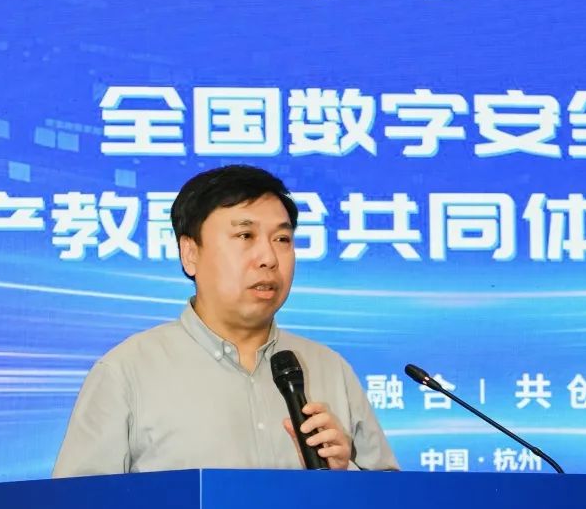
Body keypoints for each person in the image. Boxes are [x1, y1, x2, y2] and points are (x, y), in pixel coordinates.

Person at [52, 165, 398, 476]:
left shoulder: (330, 370)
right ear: (190, 253)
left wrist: (344, 472)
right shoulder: (126, 373)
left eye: (282, 239)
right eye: (245, 236)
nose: (268, 258)